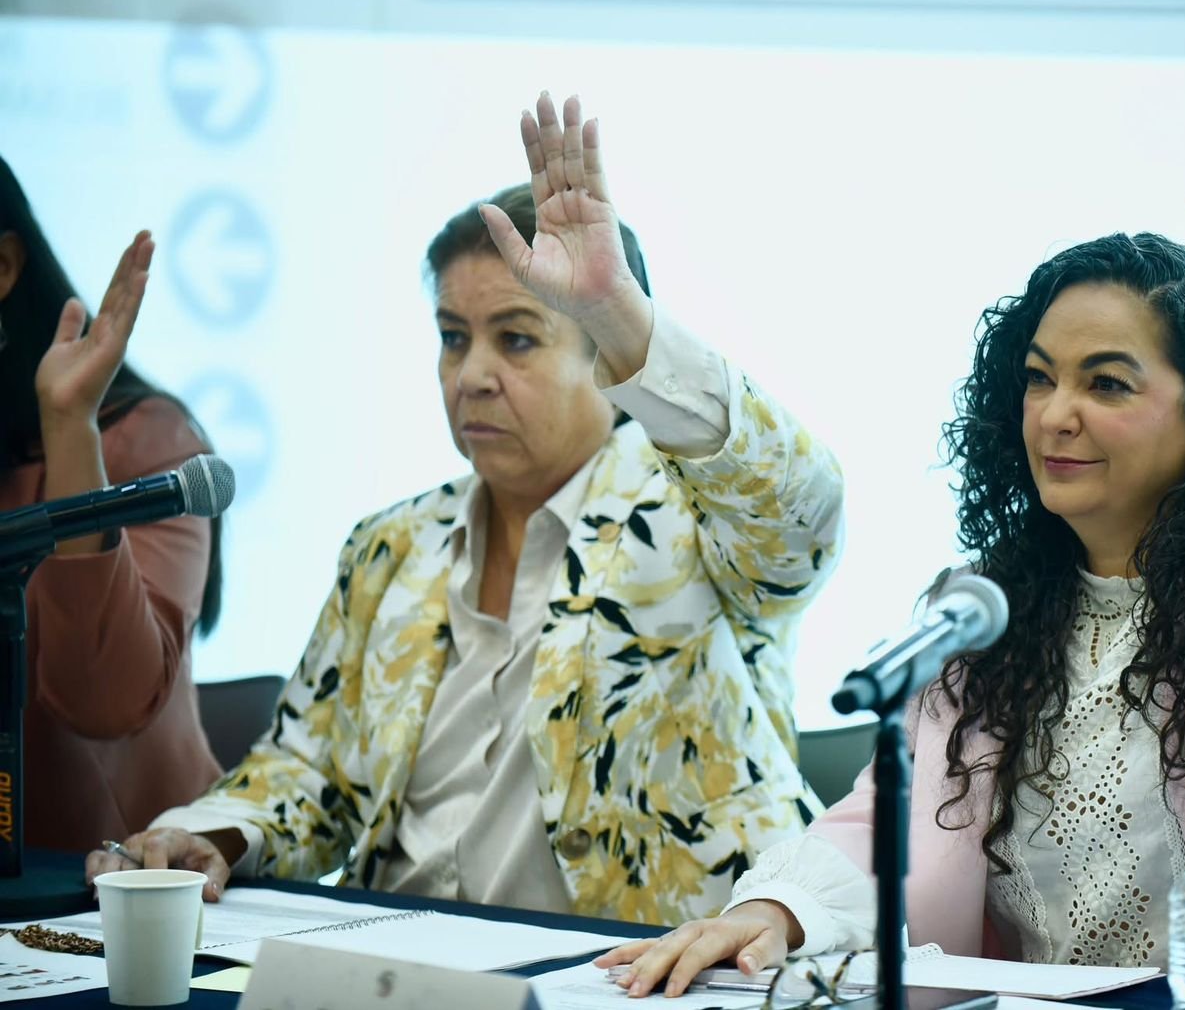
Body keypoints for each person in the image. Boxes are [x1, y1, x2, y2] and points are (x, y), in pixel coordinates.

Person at [596, 75, 1185, 1009]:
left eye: (1107, 384)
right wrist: (776, 910)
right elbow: (895, 818)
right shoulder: (989, 608)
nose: (1056, 414)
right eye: (1041, 378)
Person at [86, 93, 845, 927]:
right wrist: (215, 833)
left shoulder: (694, 511)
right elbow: (311, 771)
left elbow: (800, 513)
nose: (471, 375)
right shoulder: (391, 544)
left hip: (639, 968)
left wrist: (625, 317)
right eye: (453, 337)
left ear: (604, 358)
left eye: (516, 339)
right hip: (399, 957)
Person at [0, 155, 224, 851]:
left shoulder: (146, 443)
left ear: (3, 268)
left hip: (127, 884)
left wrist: (70, 427)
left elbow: (105, 703)